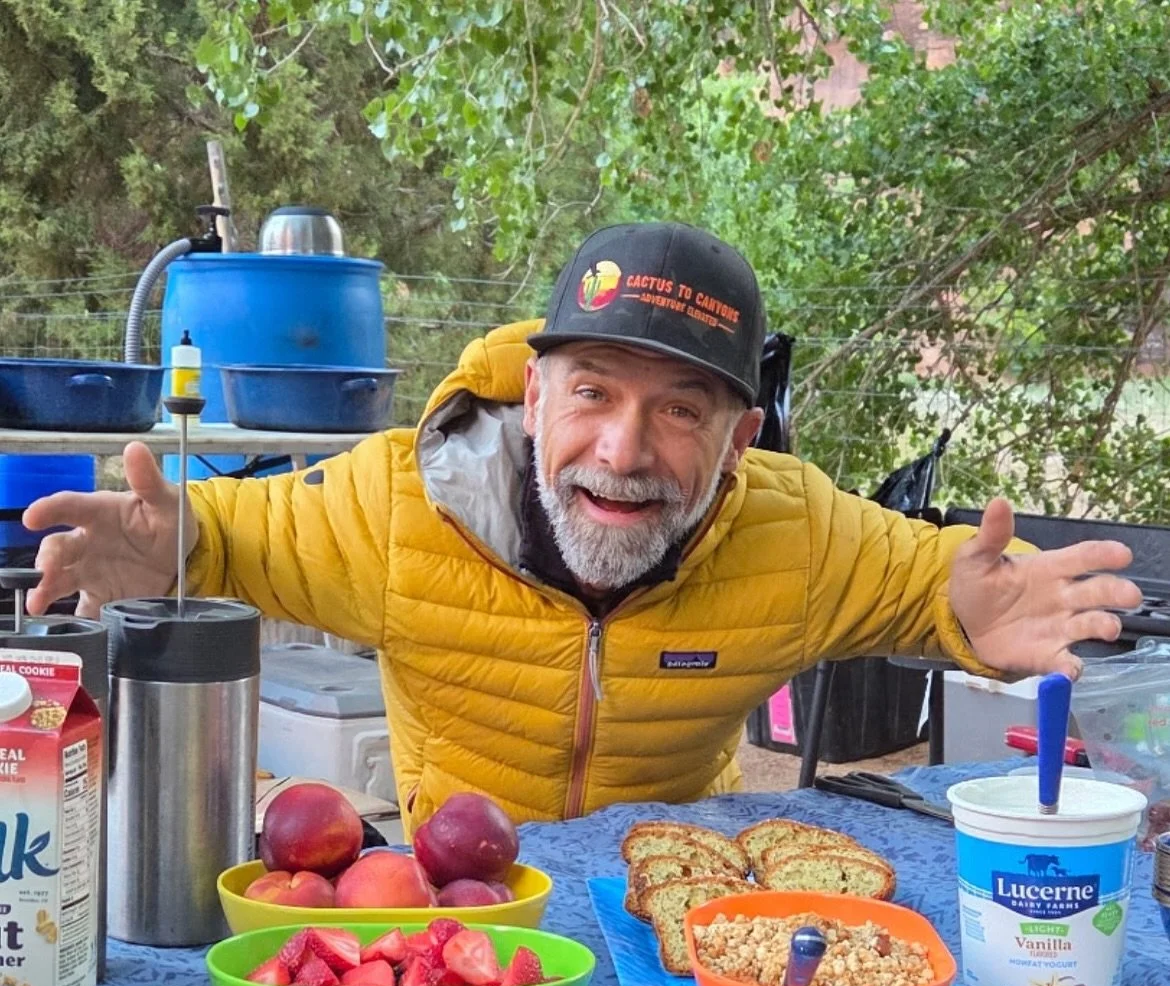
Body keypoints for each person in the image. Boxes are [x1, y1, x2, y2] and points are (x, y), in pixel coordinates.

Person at [23, 222, 1141, 833]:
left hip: (670, 919)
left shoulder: (796, 536)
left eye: (679, 410)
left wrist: (973, 602)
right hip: (458, 913)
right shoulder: (395, 502)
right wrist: (163, 549)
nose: (624, 448)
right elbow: (225, 533)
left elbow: (928, 578)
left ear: (740, 438)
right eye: (596, 392)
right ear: (535, 391)